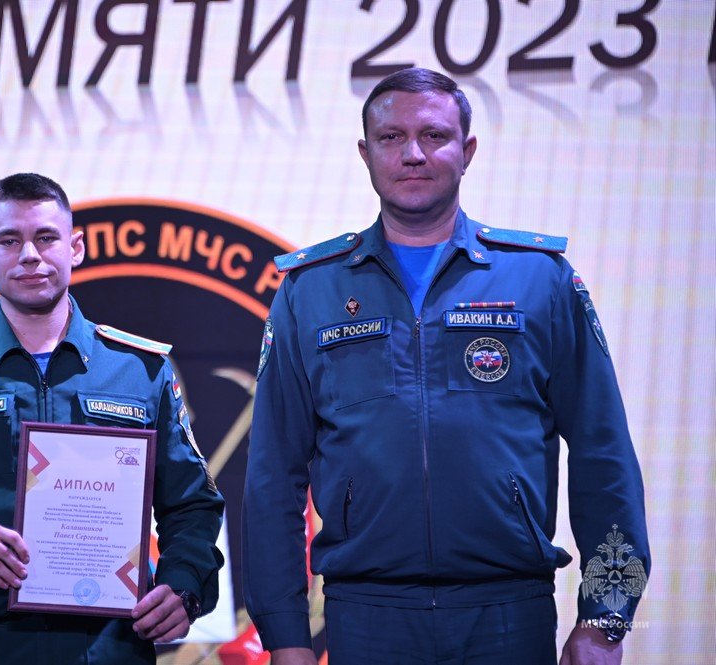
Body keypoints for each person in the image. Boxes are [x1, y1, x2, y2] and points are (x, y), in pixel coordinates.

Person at [242, 68, 649, 665]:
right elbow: (272, 474)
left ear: (468, 150)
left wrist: (605, 617)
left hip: (510, 613)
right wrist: (284, 636)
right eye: (391, 137)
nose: (413, 153)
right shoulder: (310, 291)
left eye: (434, 135)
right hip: (367, 617)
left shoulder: (540, 279)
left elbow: (603, 452)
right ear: (365, 153)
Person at [0, 173, 225, 664]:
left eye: (46, 237)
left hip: (108, 647)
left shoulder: (140, 371)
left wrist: (183, 585)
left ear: (75, 247)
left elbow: (192, 504)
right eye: (10, 241)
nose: (30, 255)